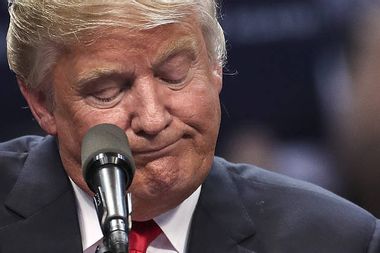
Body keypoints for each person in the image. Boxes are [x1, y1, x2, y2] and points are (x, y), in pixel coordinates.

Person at [0, 0, 379, 252]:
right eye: (107, 91)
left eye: (175, 75)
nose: (152, 119)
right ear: (42, 103)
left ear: (216, 67)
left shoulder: (337, 239)